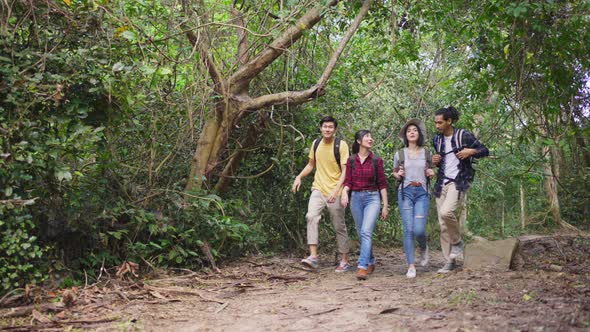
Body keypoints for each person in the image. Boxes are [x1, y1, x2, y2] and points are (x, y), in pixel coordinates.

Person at [431, 106, 489, 273]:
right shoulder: (437, 140)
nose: (437, 125)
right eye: (435, 122)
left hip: (458, 181)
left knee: (446, 212)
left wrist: (471, 151)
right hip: (441, 182)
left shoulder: (463, 135)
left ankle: (457, 243)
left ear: (450, 121)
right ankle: (450, 261)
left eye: (440, 122)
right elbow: (440, 161)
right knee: (443, 225)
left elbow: (484, 150)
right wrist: (435, 161)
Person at [292, 116, 351, 272]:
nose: (327, 129)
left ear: (335, 129)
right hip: (318, 188)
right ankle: (313, 257)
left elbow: (346, 170)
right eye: (325, 126)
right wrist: (299, 177)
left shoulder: (341, 145)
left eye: (330, 127)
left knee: (339, 225)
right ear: (321, 128)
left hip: (335, 190)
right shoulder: (316, 144)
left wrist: (336, 190)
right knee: (311, 216)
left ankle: (345, 259)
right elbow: (311, 164)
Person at [341, 130, 388, 280]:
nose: (370, 138)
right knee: (362, 232)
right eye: (367, 136)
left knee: (366, 231)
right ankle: (371, 260)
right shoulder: (351, 160)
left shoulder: (376, 160)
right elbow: (348, 181)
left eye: (370, 136)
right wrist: (344, 192)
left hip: (372, 198)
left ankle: (362, 266)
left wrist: (385, 205)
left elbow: (382, 184)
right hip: (355, 198)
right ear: (359, 141)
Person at [393, 119, 435, 278]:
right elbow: (395, 172)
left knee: (419, 229)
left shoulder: (427, 153)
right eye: (409, 130)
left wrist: (431, 172)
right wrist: (398, 175)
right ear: (405, 135)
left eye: (415, 130)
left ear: (419, 134)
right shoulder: (400, 154)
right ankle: (411, 265)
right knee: (408, 229)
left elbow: (430, 171)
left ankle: (423, 247)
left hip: (422, 193)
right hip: (405, 192)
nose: (412, 132)